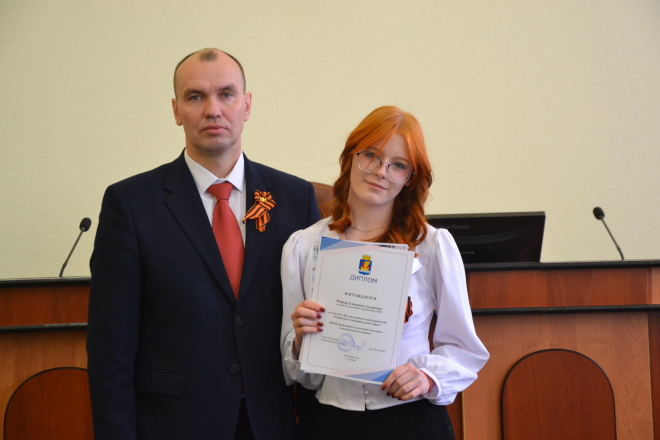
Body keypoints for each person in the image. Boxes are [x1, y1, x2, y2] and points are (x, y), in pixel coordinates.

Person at [87, 48, 320, 440]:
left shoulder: (294, 199)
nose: (213, 110)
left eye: (226, 94)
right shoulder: (130, 205)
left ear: (247, 105)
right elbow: (111, 351)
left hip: (273, 423)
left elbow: (316, 327)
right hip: (173, 425)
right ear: (176, 110)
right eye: (196, 97)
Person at [280, 106, 489, 439]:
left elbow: (464, 348)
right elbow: (300, 375)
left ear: (410, 178)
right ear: (350, 157)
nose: (381, 172)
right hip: (331, 423)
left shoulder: (432, 245)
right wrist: (302, 341)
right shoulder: (303, 246)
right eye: (371, 155)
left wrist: (428, 377)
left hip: (412, 419)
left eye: (398, 165)